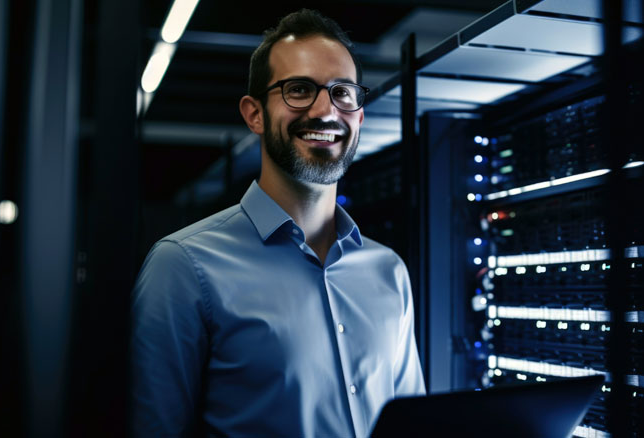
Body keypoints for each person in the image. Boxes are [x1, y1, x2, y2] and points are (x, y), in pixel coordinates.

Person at [130, 9, 425, 437]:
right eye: (299, 90)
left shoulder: (389, 272)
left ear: (359, 116)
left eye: (343, 93)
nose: (326, 110)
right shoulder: (183, 267)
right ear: (254, 114)